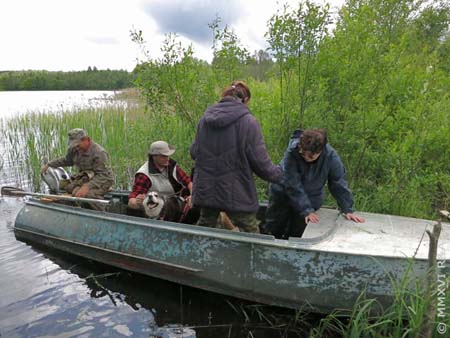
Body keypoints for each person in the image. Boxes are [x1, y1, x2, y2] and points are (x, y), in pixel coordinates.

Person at [190, 80, 282, 233]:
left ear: (223, 96)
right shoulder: (248, 122)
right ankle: (257, 255)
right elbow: (261, 163)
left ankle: (198, 255)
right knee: (250, 231)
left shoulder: (204, 121)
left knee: (205, 227)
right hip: (236, 192)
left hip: (207, 191)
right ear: (245, 100)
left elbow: (194, 152)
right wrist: (280, 175)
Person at [264, 129, 365, 239]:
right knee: (274, 225)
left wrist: (347, 209)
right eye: (303, 154)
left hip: (311, 196)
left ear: (320, 151)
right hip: (282, 192)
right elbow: (292, 184)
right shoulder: (292, 153)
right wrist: (306, 210)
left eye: (311, 156)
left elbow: (338, 182)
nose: (306, 158)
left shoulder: (331, 157)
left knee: (298, 231)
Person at [40, 128, 114, 210]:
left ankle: (104, 213)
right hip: (86, 177)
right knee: (69, 188)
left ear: (86, 140)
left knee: (89, 194)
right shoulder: (75, 149)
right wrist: (49, 164)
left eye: (78, 145)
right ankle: (84, 209)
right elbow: (67, 160)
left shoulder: (99, 153)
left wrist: (87, 187)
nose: (76, 148)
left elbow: (103, 175)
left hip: (104, 179)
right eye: (74, 145)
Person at [128, 140, 193, 218]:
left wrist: (193, 195)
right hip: (157, 210)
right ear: (154, 156)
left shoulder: (171, 165)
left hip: (176, 203)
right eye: (164, 156)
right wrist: (137, 202)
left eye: (168, 155)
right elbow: (132, 201)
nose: (168, 158)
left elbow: (188, 182)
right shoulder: (144, 174)